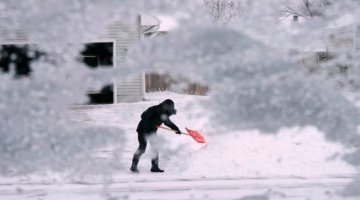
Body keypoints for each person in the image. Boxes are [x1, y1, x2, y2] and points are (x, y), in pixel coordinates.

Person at [130, 99, 181, 173]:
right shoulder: (154, 109)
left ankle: (154, 167)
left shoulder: (164, 114)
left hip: (152, 131)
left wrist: (176, 129)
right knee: (142, 148)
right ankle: (133, 166)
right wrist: (150, 124)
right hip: (143, 130)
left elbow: (168, 123)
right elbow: (143, 116)